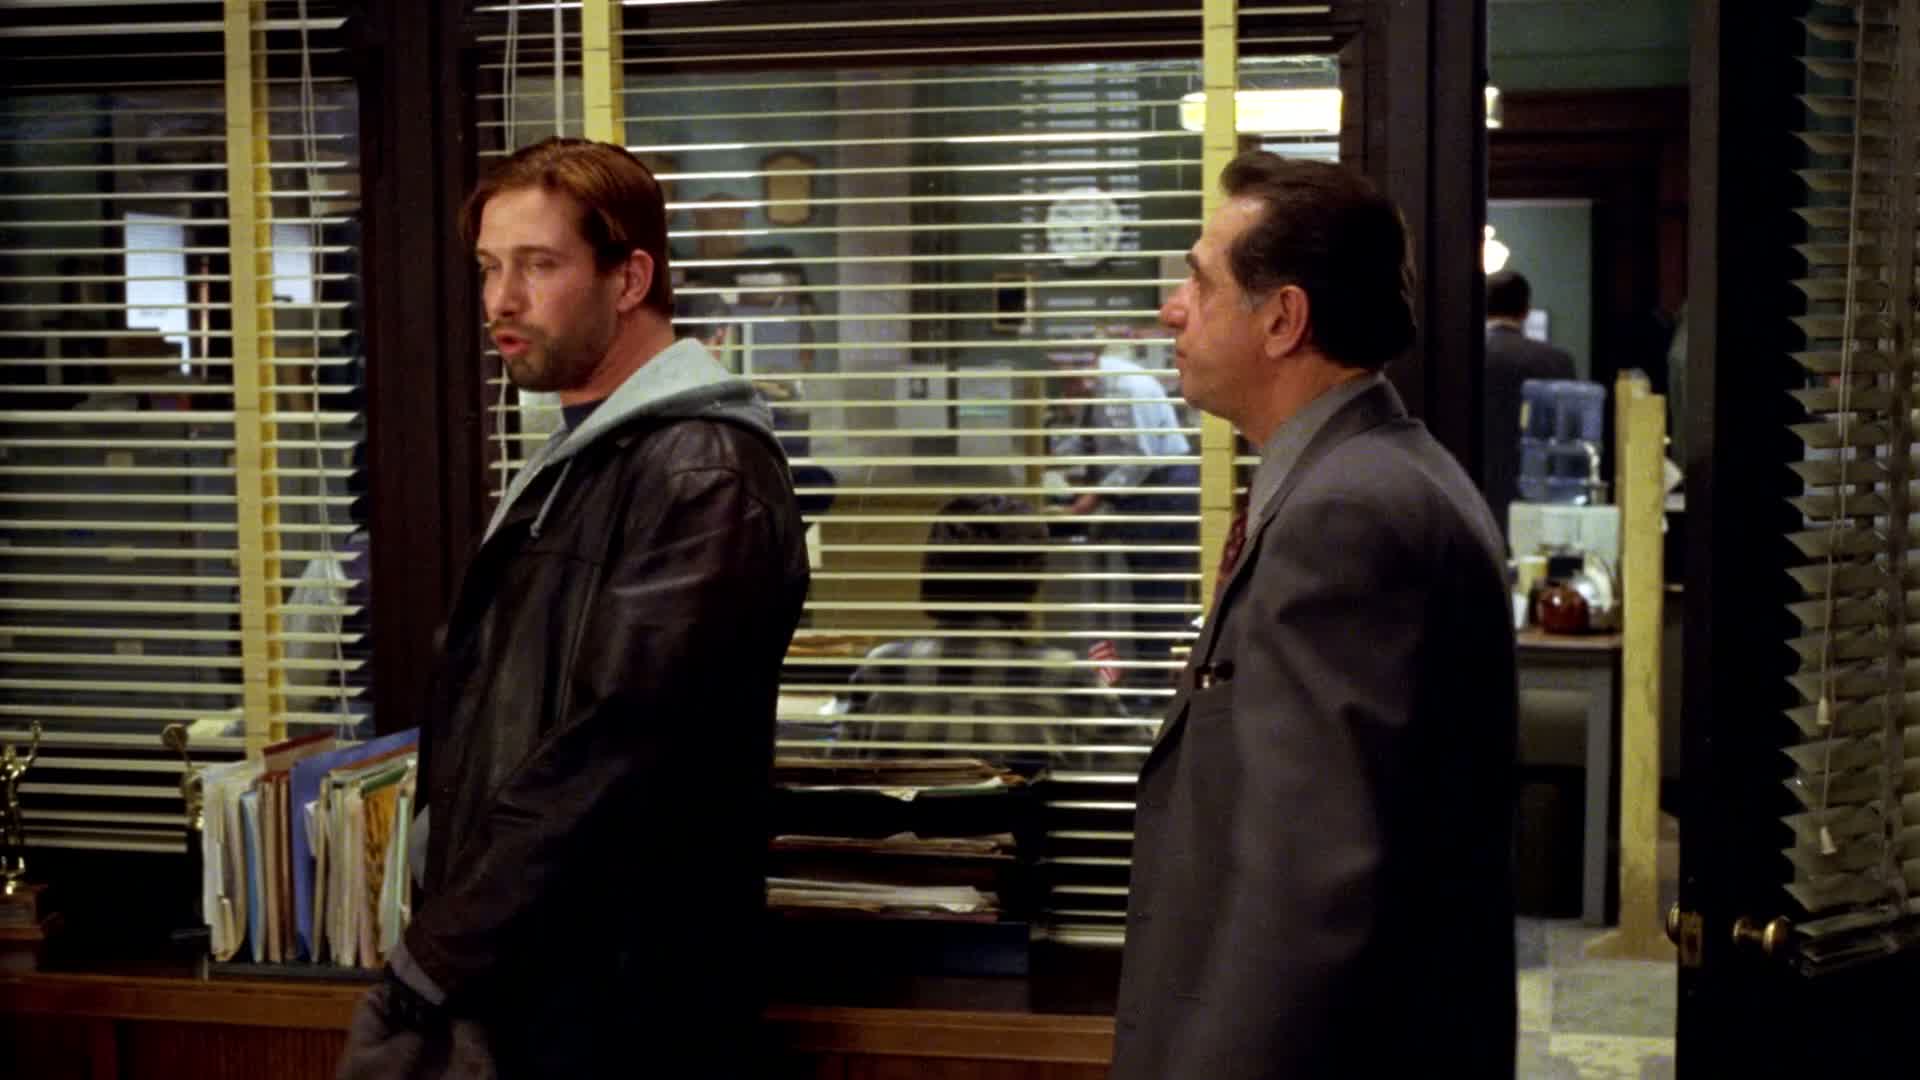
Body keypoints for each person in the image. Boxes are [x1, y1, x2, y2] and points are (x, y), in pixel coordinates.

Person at [336, 137, 810, 1080]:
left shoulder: (700, 472)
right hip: (536, 988)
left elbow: (614, 754)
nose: (500, 301)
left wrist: (431, 966)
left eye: (538, 265)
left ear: (629, 278)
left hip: (619, 1013)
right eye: (489, 268)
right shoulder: (589, 458)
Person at [1112, 153, 1516, 1079]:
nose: (1173, 310)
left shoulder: (1345, 514)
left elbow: (1305, 892)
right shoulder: (1372, 474)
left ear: (1283, 320)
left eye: (1200, 283)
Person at [843, 494, 1137, 771]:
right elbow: (1144, 777)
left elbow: (840, 776)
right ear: (1030, 579)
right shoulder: (1066, 678)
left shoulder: (883, 669)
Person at [1054, 334, 1197, 686]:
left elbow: (1140, 457)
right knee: (1142, 593)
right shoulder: (1092, 390)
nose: (1066, 385)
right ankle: (1148, 679)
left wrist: (1093, 497)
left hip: (1163, 490)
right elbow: (1082, 443)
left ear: (1089, 362)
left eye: (1070, 378)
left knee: (1159, 596)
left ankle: (1161, 686)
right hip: (1137, 492)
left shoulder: (1127, 387)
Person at [1484, 268, 1577, 527]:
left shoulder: (1464, 357)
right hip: (1539, 490)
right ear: (1526, 310)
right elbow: (1569, 433)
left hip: (1475, 484)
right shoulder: (1556, 361)